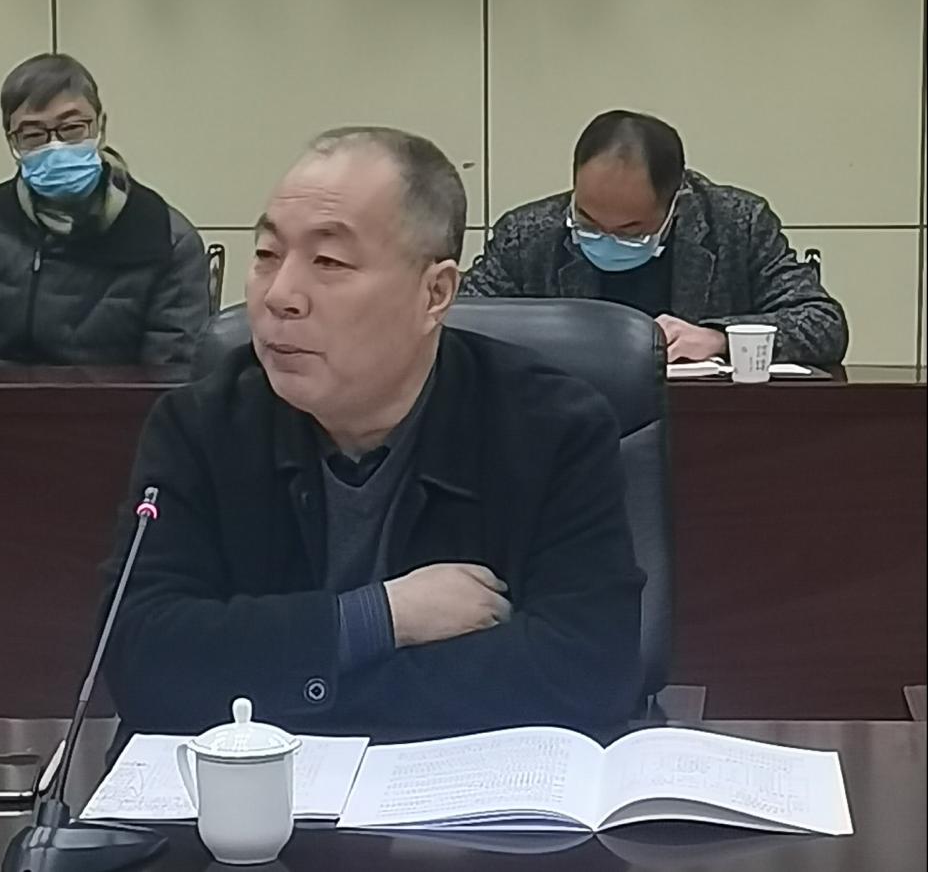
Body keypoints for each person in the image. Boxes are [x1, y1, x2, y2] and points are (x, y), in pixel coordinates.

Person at [103, 127, 644, 742]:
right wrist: (378, 618)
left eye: (329, 262)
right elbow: (141, 660)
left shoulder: (550, 428)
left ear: (435, 293)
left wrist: (280, 675)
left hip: (466, 796)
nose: (280, 296)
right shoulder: (200, 427)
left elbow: (590, 670)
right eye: (267, 255)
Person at [461, 110, 849, 365]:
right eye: (588, 222)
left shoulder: (738, 225)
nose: (606, 237)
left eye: (630, 229)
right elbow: (460, 320)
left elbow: (822, 324)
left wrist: (720, 339)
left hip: (703, 431)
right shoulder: (528, 236)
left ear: (676, 200)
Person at [0, 53, 209, 367]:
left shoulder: (167, 237)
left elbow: (175, 374)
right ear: (13, 143)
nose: (55, 145)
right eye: (33, 135)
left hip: (120, 400)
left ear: (100, 126)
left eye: (72, 128)